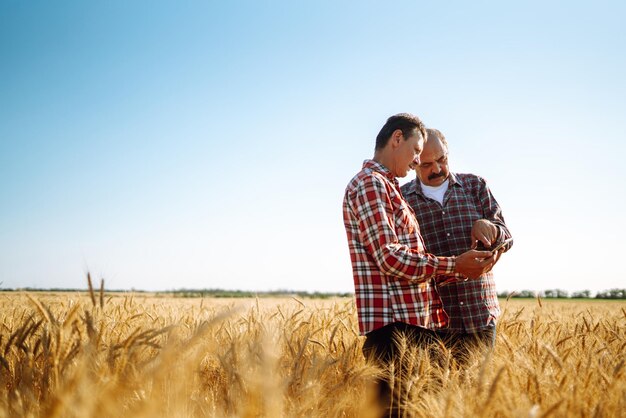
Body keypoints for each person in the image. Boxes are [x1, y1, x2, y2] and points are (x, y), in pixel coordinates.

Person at [342, 114, 497, 414]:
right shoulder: (371, 184)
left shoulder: (385, 187)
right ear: (397, 139)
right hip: (395, 332)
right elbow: (389, 256)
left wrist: (463, 270)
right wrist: (453, 265)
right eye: (417, 152)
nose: (416, 162)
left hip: (410, 328)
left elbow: (403, 265)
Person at [400, 128, 513, 362]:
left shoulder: (475, 186)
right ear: (414, 163)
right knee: (434, 395)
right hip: (431, 322)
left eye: (442, 160)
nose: (437, 169)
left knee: (478, 395)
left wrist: (490, 227)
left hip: (479, 315)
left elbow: (507, 236)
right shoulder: (402, 199)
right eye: (427, 164)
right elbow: (403, 258)